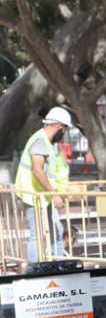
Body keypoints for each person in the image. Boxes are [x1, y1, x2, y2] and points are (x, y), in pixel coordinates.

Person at [15, 107, 72, 262]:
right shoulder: (40, 140)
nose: (64, 134)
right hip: (32, 197)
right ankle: (35, 271)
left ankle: (59, 264)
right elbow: (37, 170)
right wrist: (54, 195)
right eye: (65, 130)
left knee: (55, 231)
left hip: (42, 197)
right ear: (59, 126)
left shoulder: (46, 142)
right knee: (38, 236)